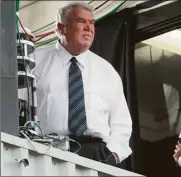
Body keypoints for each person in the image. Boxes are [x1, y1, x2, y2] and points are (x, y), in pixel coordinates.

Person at [32, 2, 132, 166]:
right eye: (80, 21)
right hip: (46, 153)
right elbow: (16, 110)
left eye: (91, 23)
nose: (89, 28)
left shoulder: (106, 70)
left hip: (96, 155)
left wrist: (113, 153)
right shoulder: (36, 61)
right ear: (61, 28)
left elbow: (121, 121)